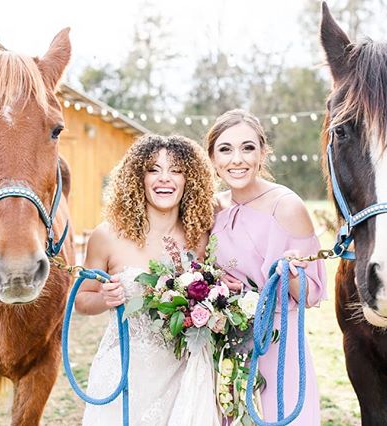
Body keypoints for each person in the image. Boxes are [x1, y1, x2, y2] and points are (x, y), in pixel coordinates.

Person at [75, 134, 216, 425]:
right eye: (154, 169)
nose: (165, 179)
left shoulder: (201, 236)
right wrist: (104, 299)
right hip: (124, 375)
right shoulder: (107, 236)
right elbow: (80, 300)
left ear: (189, 180)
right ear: (138, 177)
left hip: (184, 376)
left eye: (176, 170)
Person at [206, 109, 327, 424]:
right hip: (227, 342)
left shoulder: (286, 206)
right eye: (225, 149)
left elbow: (311, 295)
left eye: (247, 148)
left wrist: (290, 273)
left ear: (262, 152)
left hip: (276, 341)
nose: (237, 159)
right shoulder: (213, 207)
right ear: (213, 159)